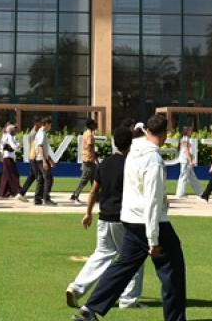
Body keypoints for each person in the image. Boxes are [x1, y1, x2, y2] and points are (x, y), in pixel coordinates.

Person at [72, 113, 185, 321]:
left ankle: (89, 309)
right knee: (172, 271)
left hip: (130, 220)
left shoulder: (134, 150)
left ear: (147, 130)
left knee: (123, 267)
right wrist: (153, 240)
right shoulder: (154, 160)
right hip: (150, 222)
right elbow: (152, 201)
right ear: (165, 134)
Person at [66, 123, 144, 312]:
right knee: (133, 257)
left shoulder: (105, 164)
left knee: (101, 255)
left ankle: (76, 287)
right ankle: (129, 300)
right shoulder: (130, 164)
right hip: (123, 218)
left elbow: (94, 190)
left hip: (104, 217)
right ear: (131, 143)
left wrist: (88, 213)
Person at [71, 119, 100, 204]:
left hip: (89, 159)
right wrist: (96, 158)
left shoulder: (87, 133)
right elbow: (90, 147)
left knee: (94, 179)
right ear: (91, 125)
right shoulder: (89, 134)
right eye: (94, 124)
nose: (96, 125)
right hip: (89, 160)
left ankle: (97, 197)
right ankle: (75, 196)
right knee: (84, 180)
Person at [32, 117, 57, 206]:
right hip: (41, 159)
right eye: (50, 125)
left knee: (41, 179)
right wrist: (44, 161)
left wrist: (50, 160)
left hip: (40, 159)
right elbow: (40, 147)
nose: (50, 127)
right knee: (48, 179)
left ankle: (37, 199)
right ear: (46, 124)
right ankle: (46, 199)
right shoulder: (41, 133)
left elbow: (44, 149)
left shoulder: (41, 133)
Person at [0, 122, 21, 198]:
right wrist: (18, 145)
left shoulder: (4, 136)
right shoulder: (9, 136)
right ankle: (15, 192)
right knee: (13, 175)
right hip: (9, 157)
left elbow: (3, 146)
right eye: (14, 129)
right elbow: (13, 146)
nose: (15, 131)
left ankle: (3, 192)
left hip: (6, 157)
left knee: (5, 176)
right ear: (10, 130)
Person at [18, 119, 45, 198]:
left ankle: (22, 192)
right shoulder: (34, 133)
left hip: (32, 156)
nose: (41, 124)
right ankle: (40, 196)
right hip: (34, 157)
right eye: (40, 123)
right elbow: (36, 146)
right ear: (36, 123)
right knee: (39, 177)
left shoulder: (35, 132)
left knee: (32, 176)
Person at [173, 126, 199, 200]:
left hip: (186, 160)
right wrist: (190, 161)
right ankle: (180, 194)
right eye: (190, 131)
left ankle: (200, 193)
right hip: (185, 161)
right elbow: (186, 151)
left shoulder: (185, 138)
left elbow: (188, 151)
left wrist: (191, 159)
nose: (192, 132)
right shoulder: (185, 139)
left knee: (192, 177)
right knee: (183, 177)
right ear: (187, 132)